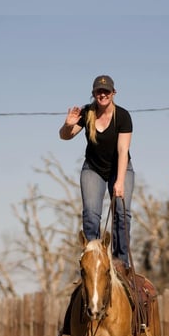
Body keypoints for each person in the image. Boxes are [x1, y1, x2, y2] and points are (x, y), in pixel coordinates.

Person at [59, 74, 134, 272]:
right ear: (93, 94)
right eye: (99, 92)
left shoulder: (123, 116)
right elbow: (65, 137)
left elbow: (122, 151)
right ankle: (92, 259)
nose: (103, 95)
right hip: (93, 169)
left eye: (106, 91)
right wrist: (67, 125)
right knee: (91, 215)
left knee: (122, 213)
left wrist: (119, 181)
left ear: (113, 93)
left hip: (120, 168)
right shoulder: (86, 113)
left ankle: (121, 263)